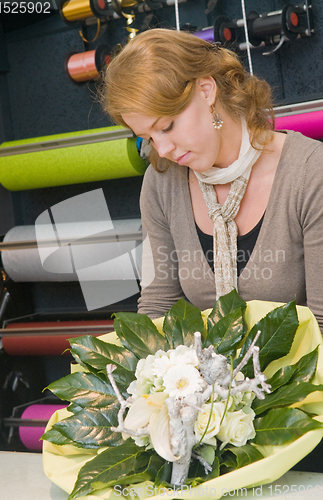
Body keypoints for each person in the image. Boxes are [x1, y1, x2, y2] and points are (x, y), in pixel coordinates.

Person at [101, 28, 323, 332]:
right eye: (147, 137)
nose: (163, 150)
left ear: (206, 90)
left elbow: (321, 323)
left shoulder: (310, 172)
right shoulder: (161, 183)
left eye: (166, 127)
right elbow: (157, 307)